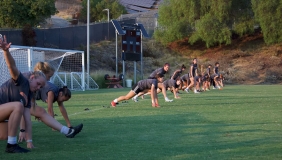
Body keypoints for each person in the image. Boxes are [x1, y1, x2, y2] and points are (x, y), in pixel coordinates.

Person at [0, 35, 46, 153]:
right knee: (17, 106)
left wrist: (29, 141)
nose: (38, 87)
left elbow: (27, 119)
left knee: (4, 135)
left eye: (41, 87)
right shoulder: (22, 81)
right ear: (32, 77)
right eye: (38, 83)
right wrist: (6, 51)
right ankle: (11, 146)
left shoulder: (28, 96)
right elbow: (12, 66)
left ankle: (10, 142)